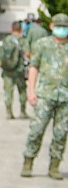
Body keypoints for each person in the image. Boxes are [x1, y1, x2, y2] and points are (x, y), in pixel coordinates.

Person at [24, 12, 68, 179]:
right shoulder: (42, 44)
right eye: (59, 26)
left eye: (65, 27)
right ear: (51, 27)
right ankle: (28, 162)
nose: (62, 30)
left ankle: (54, 166)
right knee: (36, 130)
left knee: (61, 134)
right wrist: (32, 91)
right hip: (45, 95)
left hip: (65, 97)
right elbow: (34, 67)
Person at [0, 20, 29, 120]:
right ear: (21, 29)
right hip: (19, 71)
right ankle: (23, 112)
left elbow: (0, 54)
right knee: (22, 91)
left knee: (8, 92)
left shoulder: (6, 39)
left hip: (7, 71)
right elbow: (28, 54)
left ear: (11, 29)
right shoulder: (23, 40)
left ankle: (9, 112)